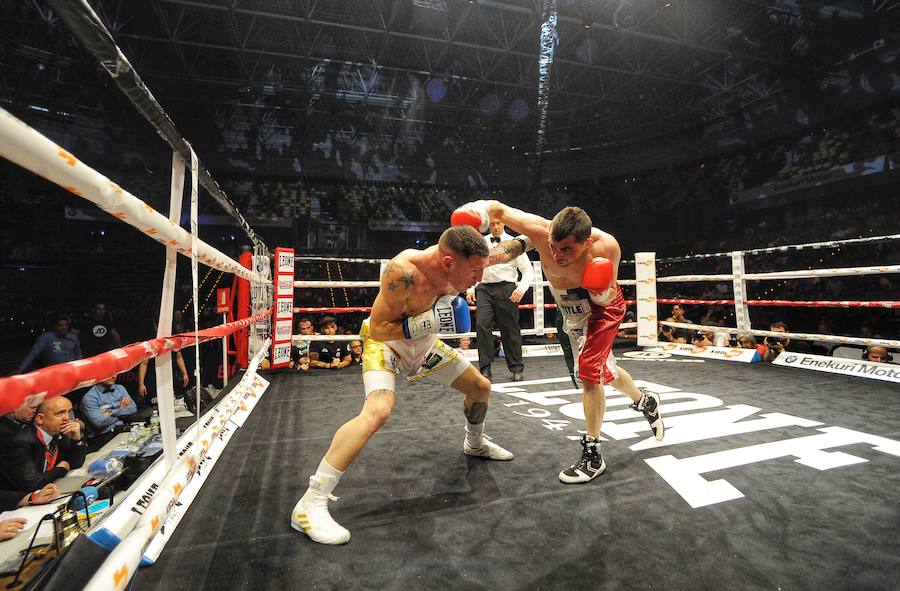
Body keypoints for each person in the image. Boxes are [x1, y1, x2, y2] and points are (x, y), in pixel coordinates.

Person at [292, 225, 512, 545]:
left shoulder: (467, 261)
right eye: (475, 272)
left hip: (424, 346)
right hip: (386, 345)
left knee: (480, 388)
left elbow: (508, 251)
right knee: (379, 410)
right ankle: (309, 503)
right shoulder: (403, 272)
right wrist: (425, 322)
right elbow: (379, 330)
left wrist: (536, 237)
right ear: (449, 262)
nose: (479, 279)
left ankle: (474, 443)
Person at [452, 201, 663, 484]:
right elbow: (495, 208)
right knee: (604, 371)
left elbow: (607, 293)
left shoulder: (606, 247)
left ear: (587, 243)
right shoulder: (539, 231)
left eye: (567, 250)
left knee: (589, 370)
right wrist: (476, 217)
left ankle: (593, 454)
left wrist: (598, 290)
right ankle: (644, 400)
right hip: (569, 310)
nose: (557, 255)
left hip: (602, 308)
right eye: (553, 246)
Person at [466, 216, 534, 382]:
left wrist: (521, 288)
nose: (495, 227)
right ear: (488, 224)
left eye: (498, 223)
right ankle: (485, 369)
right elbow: (472, 267)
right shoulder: (480, 242)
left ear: (503, 224)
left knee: (510, 329)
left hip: (507, 288)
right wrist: (470, 288)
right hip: (484, 289)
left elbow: (527, 270)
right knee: (482, 326)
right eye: (492, 224)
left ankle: (516, 368)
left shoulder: (514, 243)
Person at [0, 397, 86, 492]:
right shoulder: (19, 442)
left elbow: (75, 463)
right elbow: (32, 484)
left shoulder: (59, 434)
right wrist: (60, 469)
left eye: (69, 412)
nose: (67, 418)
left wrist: (77, 438)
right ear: (40, 419)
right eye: (60, 413)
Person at [17, 315, 82, 373]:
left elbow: (78, 352)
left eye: (66, 325)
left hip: (71, 371)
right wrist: (20, 369)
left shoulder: (73, 337)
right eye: (60, 325)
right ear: (55, 326)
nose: (64, 327)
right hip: (54, 372)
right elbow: (33, 354)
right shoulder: (46, 337)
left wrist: (79, 367)